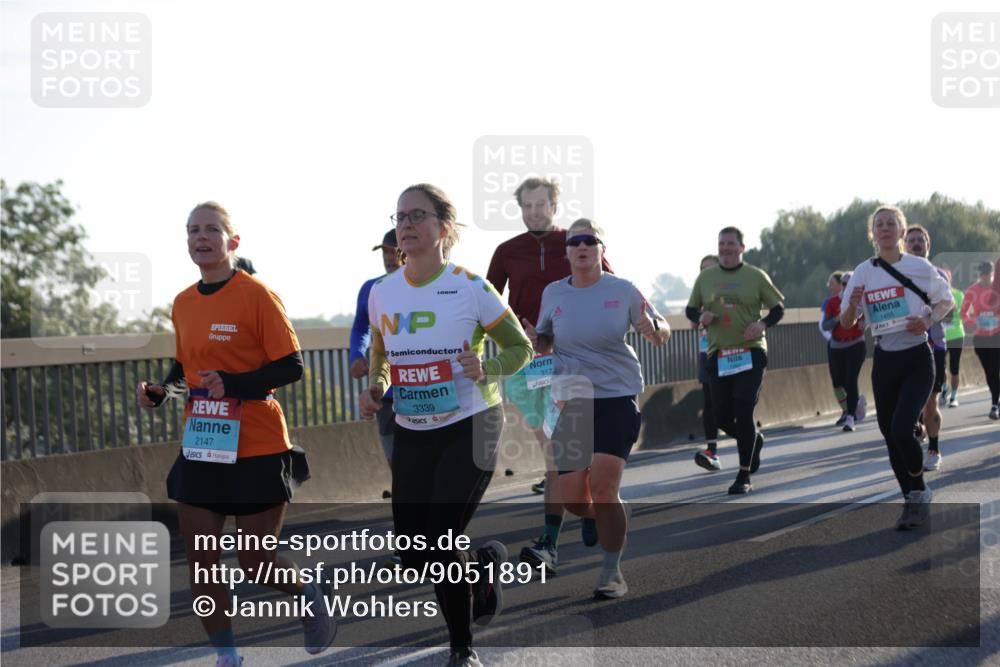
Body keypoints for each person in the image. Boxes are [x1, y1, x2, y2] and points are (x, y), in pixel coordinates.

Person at [137, 202, 333, 667]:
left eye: (211, 229)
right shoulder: (183, 302)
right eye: (193, 231)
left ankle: (308, 593)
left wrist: (236, 384)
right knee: (202, 560)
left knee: (255, 562)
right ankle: (227, 657)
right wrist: (163, 391)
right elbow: (186, 369)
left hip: (258, 443)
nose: (201, 238)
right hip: (204, 442)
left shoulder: (257, 295)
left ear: (233, 241)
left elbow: (292, 366)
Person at [361, 183, 533, 667]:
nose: (406, 225)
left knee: (439, 540)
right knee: (414, 550)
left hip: (471, 423)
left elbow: (520, 348)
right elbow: (381, 354)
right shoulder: (382, 293)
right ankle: (481, 569)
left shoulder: (471, 287)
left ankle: (462, 649)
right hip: (414, 428)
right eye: (400, 217)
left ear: (444, 228)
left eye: (417, 215)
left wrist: (488, 367)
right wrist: (376, 385)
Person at [523, 218, 669, 600]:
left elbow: (661, 329)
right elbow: (546, 342)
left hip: (616, 398)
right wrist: (535, 341)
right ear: (567, 251)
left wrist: (655, 329)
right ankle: (611, 514)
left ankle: (612, 572)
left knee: (604, 487)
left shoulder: (623, 289)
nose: (583, 247)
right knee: (574, 499)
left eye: (590, 240)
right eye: (575, 242)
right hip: (571, 400)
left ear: (602, 249)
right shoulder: (554, 293)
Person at [486, 177, 612, 576]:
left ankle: (552, 541)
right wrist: (512, 333)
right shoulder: (507, 251)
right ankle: (582, 512)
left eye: (540, 205)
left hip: (573, 361)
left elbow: (610, 290)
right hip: (528, 365)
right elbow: (487, 305)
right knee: (556, 454)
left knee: (564, 454)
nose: (534, 212)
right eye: (527, 206)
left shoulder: (575, 243)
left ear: (554, 206)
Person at [840, 205, 954, 530]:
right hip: (885, 360)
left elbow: (947, 301)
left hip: (917, 357)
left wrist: (927, 319)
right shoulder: (863, 272)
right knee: (891, 436)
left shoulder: (918, 266)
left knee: (902, 428)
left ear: (901, 232)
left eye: (891, 223)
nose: (885, 228)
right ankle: (912, 499)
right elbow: (847, 323)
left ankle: (918, 491)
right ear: (873, 233)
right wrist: (852, 304)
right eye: (879, 224)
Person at [687, 227, 785, 495]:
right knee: (721, 416)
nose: (725, 248)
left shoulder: (755, 276)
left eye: (731, 243)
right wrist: (701, 317)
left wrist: (762, 324)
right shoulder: (706, 278)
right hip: (719, 354)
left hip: (750, 351)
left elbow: (778, 309)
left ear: (742, 247)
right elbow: (691, 309)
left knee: (743, 410)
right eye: (722, 243)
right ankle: (754, 439)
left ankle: (744, 475)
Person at [350, 229, 404, 464]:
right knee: (396, 462)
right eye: (384, 253)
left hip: (422, 388)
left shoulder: (425, 289)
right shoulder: (371, 288)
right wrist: (356, 355)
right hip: (385, 392)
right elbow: (360, 327)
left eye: (394, 252)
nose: (389, 258)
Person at [904, 225, 952, 470]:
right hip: (904, 347)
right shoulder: (895, 275)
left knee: (930, 402)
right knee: (906, 402)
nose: (915, 244)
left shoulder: (938, 275)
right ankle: (917, 426)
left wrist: (927, 318)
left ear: (928, 246)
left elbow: (948, 309)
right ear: (904, 246)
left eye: (920, 240)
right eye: (911, 240)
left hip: (934, 347)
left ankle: (933, 449)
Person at [821, 271, 868, 432]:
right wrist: (837, 318)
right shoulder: (833, 302)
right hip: (837, 346)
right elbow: (825, 325)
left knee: (850, 379)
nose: (847, 287)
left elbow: (871, 316)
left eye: (851, 284)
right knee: (838, 382)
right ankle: (856, 403)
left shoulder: (862, 300)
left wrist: (864, 324)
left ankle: (850, 417)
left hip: (856, 344)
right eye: (845, 284)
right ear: (841, 285)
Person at [693, 254, 722, 471]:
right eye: (702, 269)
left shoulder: (729, 291)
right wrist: (701, 316)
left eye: (710, 269)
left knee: (732, 404)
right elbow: (693, 323)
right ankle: (711, 451)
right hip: (707, 354)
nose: (706, 273)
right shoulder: (699, 295)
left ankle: (749, 441)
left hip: (730, 353)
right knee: (710, 403)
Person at [960, 261, 1000, 420]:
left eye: (988, 273)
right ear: (979, 274)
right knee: (989, 373)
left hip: (997, 335)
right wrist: (972, 322)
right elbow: (963, 312)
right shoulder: (972, 290)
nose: (985, 277)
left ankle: (994, 405)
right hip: (981, 337)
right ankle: (996, 399)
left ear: (992, 273)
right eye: (982, 274)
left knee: (994, 370)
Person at [820, 271, 849, 425]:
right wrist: (833, 338)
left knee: (849, 378)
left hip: (852, 344)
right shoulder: (829, 302)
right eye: (828, 284)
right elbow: (823, 325)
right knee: (837, 379)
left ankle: (852, 409)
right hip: (834, 344)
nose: (829, 286)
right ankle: (846, 409)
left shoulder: (853, 299)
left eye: (831, 283)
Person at [942, 269, 965, 408]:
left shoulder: (958, 294)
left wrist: (955, 308)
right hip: (940, 337)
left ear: (950, 280)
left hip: (956, 335)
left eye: (946, 279)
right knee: (939, 367)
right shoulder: (934, 295)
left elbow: (964, 314)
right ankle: (945, 387)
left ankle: (954, 397)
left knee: (954, 368)